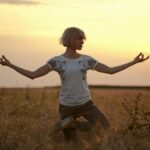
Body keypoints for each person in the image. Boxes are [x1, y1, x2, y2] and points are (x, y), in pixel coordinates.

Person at [0, 27, 149, 144]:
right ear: (70, 40)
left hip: (86, 104)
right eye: (79, 39)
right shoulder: (56, 61)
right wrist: (10, 65)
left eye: (83, 39)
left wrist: (134, 61)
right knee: (73, 144)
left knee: (107, 127)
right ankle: (67, 122)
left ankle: (72, 124)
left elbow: (110, 71)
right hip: (66, 106)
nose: (82, 42)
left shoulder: (87, 60)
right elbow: (33, 75)